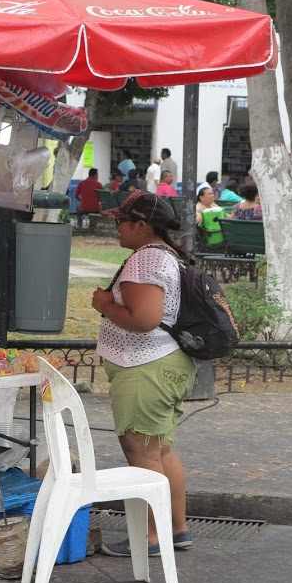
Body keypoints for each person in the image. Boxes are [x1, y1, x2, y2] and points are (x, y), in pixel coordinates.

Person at [92, 190, 195, 557]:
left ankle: (151, 537)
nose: (116, 226)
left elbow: (144, 319)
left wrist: (104, 305)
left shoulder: (145, 261)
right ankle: (176, 529)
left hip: (145, 367)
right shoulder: (166, 256)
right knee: (160, 449)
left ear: (141, 225)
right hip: (162, 365)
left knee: (143, 453)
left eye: (121, 221)